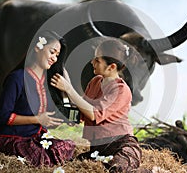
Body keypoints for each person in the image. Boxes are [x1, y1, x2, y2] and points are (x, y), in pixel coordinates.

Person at [51, 37, 142, 172]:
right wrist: (62, 112)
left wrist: (69, 88)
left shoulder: (121, 90)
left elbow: (94, 114)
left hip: (122, 146)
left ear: (111, 67)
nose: (92, 62)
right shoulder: (95, 81)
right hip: (98, 150)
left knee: (116, 169)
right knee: (72, 165)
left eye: (97, 60)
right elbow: (83, 111)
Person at [0, 30, 75, 167]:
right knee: (43, 160)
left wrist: (66, 91)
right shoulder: (17, 78)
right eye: (52, 52)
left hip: (36, 138)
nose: (54, 58)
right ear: (37, 47)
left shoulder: (49, 82)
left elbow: (59, 115)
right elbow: (2, 116)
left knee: (67, 146)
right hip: (12, 139)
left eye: (57, 55)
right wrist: (37, 119)